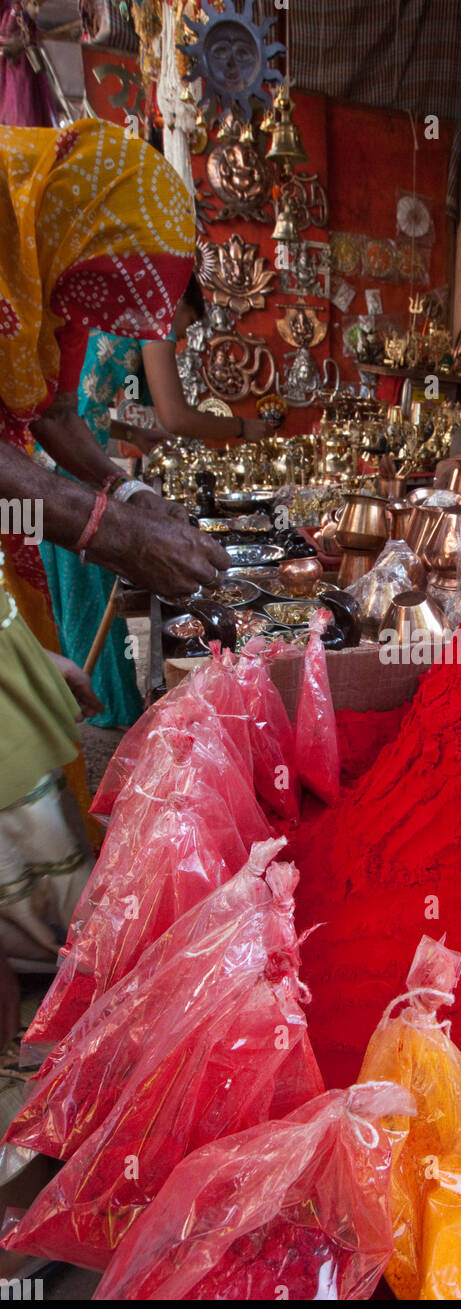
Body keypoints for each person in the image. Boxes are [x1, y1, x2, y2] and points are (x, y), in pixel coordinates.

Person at [0, 117, 230, 1045]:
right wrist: (114, 533)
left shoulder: (36, 259)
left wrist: (125, 490)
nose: (95, 318)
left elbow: (49, 407)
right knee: (29, 813)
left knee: (44, 727)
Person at [38, 274, 276, 727]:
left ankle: (72, 708)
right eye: (185, 329)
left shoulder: (106, 319)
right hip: (66, 473)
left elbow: (80, 412)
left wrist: (131, 436)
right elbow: (177, 415)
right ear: (177, 302)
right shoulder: (159, 318)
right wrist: (245, 428)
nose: (179, 339)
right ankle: (111, 717)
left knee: (67, 604)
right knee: (88, 602)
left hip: (52, 464)